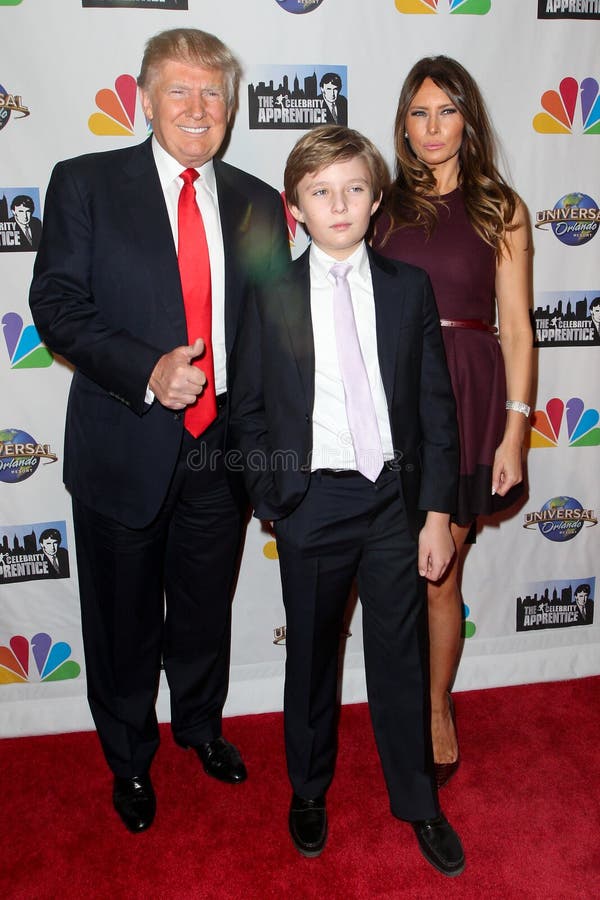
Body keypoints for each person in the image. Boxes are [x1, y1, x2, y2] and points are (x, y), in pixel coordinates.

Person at [29, 28, 289, 833]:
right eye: (180, 90)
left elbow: (275, 328)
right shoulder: (85, 183)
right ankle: (129, 760)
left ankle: (201, 728)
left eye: (214, 93)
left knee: (205, 610)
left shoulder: (256, 200)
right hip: (122, 444)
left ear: (232, 106)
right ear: (144, 98)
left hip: (223, 452)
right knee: (122, 621)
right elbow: (56, 307)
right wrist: (148, 370)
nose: (198, 108)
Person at [229, 125, 465, 877]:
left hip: (394, 502)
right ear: (296, 206)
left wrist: (435, 512)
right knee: (311, 659)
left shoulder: (408, 289)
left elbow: (435, 405)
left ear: (375, 199)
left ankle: (420, 803)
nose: (340, 204)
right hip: (313, 502)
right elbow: (251, 409)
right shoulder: (268, 294)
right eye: (321, 191)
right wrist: (276, 498)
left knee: (401, 654)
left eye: (354, 189)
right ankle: (308, 789)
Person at [373, 56, 533, 787]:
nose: (432, 127)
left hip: (468, 395)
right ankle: (398, 703)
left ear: (468, 118)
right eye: (418, 112)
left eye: (446, 110)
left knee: (441, 574)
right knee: (391, 574)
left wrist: (515, 434)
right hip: (391, 397)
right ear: (403, 124)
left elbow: (521, 332)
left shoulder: (502, 206)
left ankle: (436, 708)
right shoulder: (378, 202)